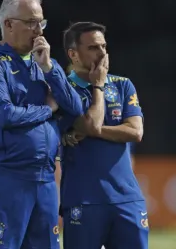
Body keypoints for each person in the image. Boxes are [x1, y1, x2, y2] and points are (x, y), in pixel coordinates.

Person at [0, 0, 83, 249]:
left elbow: (75, 107)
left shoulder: (44, 63)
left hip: (43, 178)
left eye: (41, 22)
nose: (38, 30)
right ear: (8, 24)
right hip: (5, 175)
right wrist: (46, 110)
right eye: (31, 22)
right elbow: (4, 115)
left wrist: (50, 70)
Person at [58, 22, 147, 249]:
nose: (102, 53)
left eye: (104, 46)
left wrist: (93, 132)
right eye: (93, 48)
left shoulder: (123, 85)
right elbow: (92, 122)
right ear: (73, 54)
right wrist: (97, 86)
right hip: (83, 199)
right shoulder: (62, 90)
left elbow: (135, 132)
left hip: (126, 197)